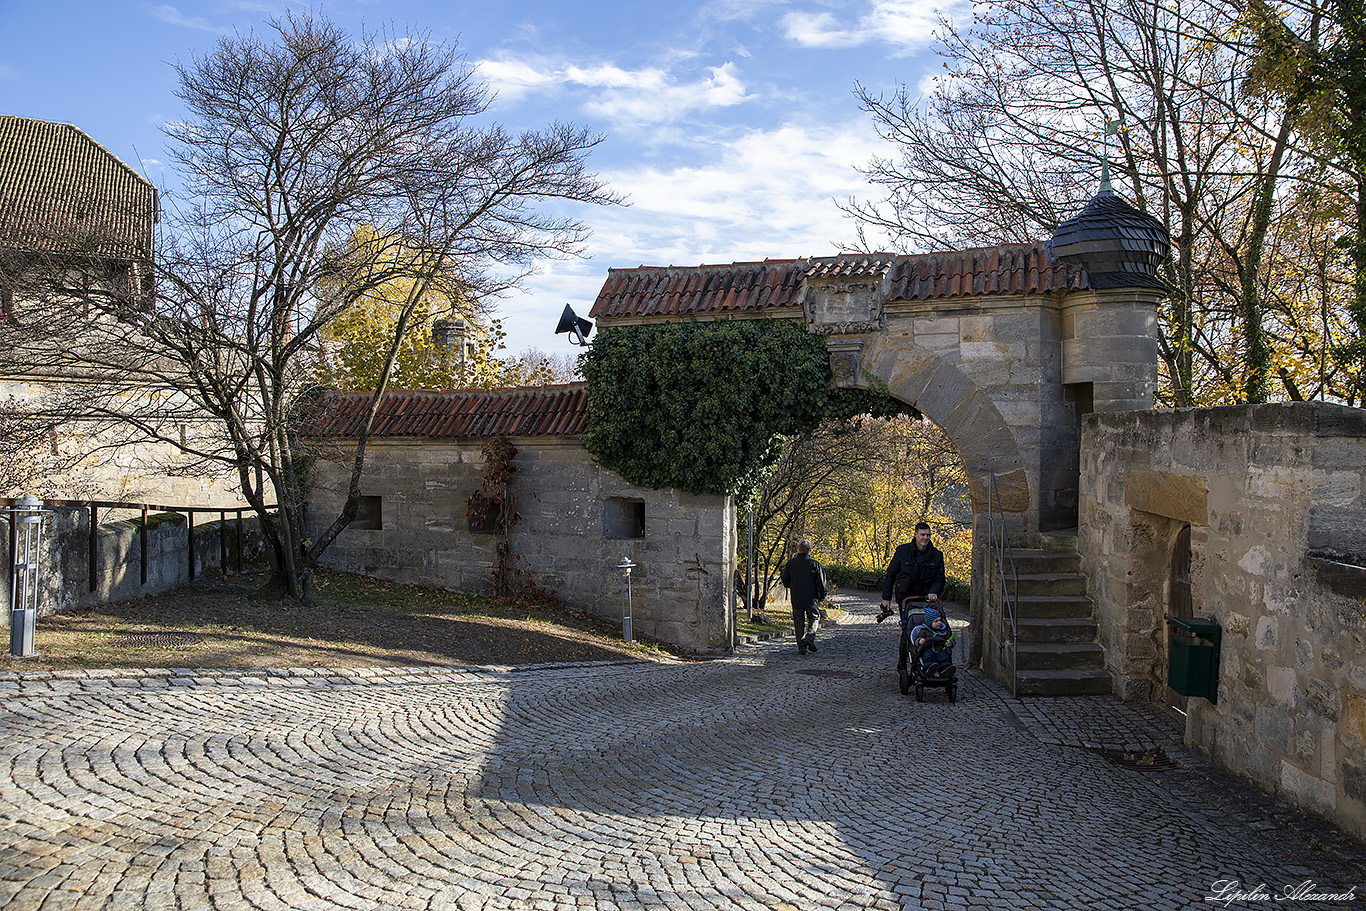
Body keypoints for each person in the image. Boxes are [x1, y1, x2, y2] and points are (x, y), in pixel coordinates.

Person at [876, 522, 946, 669]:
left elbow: (940, 579)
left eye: (928, 535)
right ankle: (903, 662)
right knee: (908, 629)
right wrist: (886, 598)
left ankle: (928, 660)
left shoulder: (936, 555)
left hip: (926, 597)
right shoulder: (903, 551)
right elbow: (891, 575)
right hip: (906, 598)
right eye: (922, 535)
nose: (925, 538)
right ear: (915, 534)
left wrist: (934, 592)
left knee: (930, 627)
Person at [780, 539, 827, 655]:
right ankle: (809, 637)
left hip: (797, 597)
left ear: (798, 550)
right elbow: (821, 583)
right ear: (809, 550)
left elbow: (784, 579)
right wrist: (822, 595)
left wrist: (793, 586)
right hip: (812, 598)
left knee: (798, 622)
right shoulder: (815, 564)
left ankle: (801, 647)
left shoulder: (791, 564)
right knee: (814, 618)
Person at [909, 604, 955, 679]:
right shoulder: (924, 630)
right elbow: (916, 639)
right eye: (936, 621)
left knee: (944, 657)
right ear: (930, 623)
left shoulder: (943, 631)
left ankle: (946, 669)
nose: (939, 623)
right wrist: (920, 641)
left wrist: (950, 643)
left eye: (940, 620)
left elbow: (949, 639)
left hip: (940, 649)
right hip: (927, 649)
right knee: (928, 656)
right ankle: (929, 668)